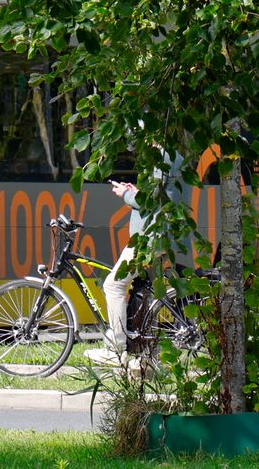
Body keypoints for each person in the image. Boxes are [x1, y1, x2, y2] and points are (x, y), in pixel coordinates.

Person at [87, 150, 188, 366]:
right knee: (150, 293)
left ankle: (116, 348)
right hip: (160, 237)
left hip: (149, 239)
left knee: (113, 285)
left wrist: (125, 193)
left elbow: (150, 201)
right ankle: (149, 356)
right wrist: (137, 191)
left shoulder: (162, 156)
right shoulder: (172, 154)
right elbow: (157, 194)